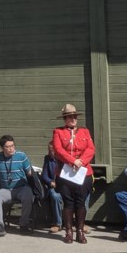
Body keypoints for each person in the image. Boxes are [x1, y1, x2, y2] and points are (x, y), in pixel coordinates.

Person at [53, 103, 95, 244]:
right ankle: (69, 232)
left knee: (80, 202)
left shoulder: (84, 132)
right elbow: (58, 150)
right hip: (66, 173)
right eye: (69, 117)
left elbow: (90, 149)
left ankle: (80, 231)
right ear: (64, 119)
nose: (73, 119)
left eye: (74, 116)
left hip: (83, 172)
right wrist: (72, 161)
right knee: (68, 203)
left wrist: (81, 161)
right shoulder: (58, 132)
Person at [0, 134, 35, 238]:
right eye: (8, 147)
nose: (11, 148)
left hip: (21, 187)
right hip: (6, 189)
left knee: (28, 195)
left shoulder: (22, 156)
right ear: (2, 148)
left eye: (13, 145)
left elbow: (30, 173)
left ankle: (24, 224)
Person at [41, 140, 64, 233]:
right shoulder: (47, 159)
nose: (50, 152)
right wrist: (50, 182)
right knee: (54, 195)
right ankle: (58, 223)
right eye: (49, 150)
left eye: (52, 150)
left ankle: (78, 223)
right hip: (54, 186)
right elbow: (44, 175)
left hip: (64, 186)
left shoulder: (64, 160)